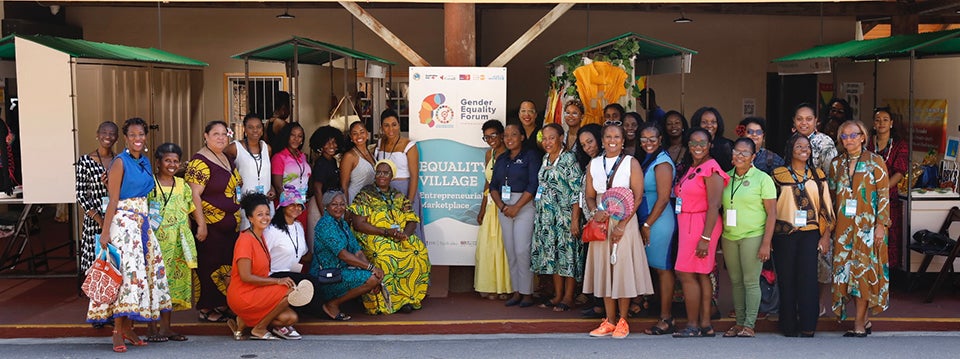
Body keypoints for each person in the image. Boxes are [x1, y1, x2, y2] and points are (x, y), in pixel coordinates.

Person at [87, 117, 172, 353]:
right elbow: (114, 199)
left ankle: (129, 328)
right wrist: (105, 233)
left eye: (141, 135)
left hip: (142, 224)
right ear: (126, 138)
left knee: (140, 277)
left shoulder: (144, 162)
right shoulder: (119, 162)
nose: (137, 139)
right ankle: (116, 332)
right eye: (133, 135)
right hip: (124, 225)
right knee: (125, 277)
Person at [583, 124, 654, 339]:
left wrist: (623, 224)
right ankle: (609, 320)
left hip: (625, 222)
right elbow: (589, 194)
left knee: (622, 269)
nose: (612, 140)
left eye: (616, 137)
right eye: (608, 137)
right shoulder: (594, 164)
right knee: (605, 270)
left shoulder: (631, 163)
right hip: (602, 222)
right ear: (602, 140)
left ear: (623, 141)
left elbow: (638, 196)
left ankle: (623, 320)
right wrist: (595, 212)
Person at [828, 120, 890, 337]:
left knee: (863, 273)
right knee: (845, 274)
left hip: (868, 228)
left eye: (853, 135)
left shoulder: (875, 161)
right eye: (844, 136)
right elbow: (832, 197)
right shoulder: (836, 164)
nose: (849, 140)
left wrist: (881, 226)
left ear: (863, 137)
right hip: (844, 229)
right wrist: (829, 227)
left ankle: (859, 324)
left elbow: (883, 195)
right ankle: (864, 320)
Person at [771, 134, 835, 337]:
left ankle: (808, 325)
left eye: (806, 146)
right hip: (783, 235)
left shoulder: (818, 174)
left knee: (808, 280)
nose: (803, 149)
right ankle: (788, 326)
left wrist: (825, 236)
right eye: (798, 146)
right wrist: (769, 238)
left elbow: (826, 208)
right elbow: (769, 209)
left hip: (810, 235)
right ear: (790, 149)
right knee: (786, 279)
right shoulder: (777, 174)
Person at [349, 159, 431, 314]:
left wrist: (404, 235)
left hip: (396, 236)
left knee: (418, 252)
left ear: (392, 176)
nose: (381, 175)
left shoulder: (398, 195)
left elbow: (411, 219)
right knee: (384, 256)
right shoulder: (366, 194)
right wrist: (386, 232)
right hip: (372, 234)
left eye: (385, 173)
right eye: (378, 172)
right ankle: (385, 302)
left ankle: (407, 298)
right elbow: (359, 224)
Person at [672, 127, 730, 338]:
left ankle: (693, 325)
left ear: (710, 145)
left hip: (701, 224)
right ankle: (705, 325)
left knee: (686, 273)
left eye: (702, 143)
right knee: (701, 274)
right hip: (689, 222)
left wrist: (705, 238)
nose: (698, 147)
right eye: (693, 143)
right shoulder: (693, 167)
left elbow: (714, 205)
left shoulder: (711, 168)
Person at [719, 138, 776, 338]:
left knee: (750, 281)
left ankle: (749, 325)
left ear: (753, 157)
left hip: (754, 235)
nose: (739, 156)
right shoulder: (726, 178)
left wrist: (766, 243)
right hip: (729, 236)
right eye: (736, 152)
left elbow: (772, 213)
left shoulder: (763, 179)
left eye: (745, 153)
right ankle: (739, 323)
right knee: (736, 281)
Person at [186, 120, 242, 323]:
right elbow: (194, 195)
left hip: (229, 226)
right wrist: (201, 224)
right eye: (215, 134)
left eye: (224, 134)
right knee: (208, 266)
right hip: (210, 226)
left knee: (225, 264)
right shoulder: (199, 162)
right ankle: (206, 307)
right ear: (206, 136)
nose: (221, 137)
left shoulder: (226, 157)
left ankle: (221, 303)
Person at [225, 192, 299, 341]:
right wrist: (277, 281)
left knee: (290, 317)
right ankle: (259, 328)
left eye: (267, 213)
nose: (265, 218)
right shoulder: (245, 240)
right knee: (290, 290)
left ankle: (243, 322)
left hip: (256, 291)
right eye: (259, 215)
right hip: (243, 295)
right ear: (250, 218)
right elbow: (246, 276)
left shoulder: (261, 236)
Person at [145, 143, 195, 342]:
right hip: (155, 244)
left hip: (177, 244)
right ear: (158, 162)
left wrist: (191, 236)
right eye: (167, 160)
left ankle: (166, 328)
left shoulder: (182, 185)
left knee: (171, 285)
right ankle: (151, 329)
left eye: (176, 161)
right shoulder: (150, 184)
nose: (172, 164)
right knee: (153, 284)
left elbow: (189, 211)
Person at [531, 123, 584, 312]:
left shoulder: (569, 159)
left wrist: (575, 220)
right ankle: (558, 295)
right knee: (553, 256)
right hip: (547, 219)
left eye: (551, 138)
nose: (547, 142)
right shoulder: (545, 158)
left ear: (561, 137)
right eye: (544, 138)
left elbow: (577, 191)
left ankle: (569, 297)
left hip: (565, 218)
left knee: (567, 257)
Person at [489, 123, 542, 308]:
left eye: (514, 134)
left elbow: (533, 184)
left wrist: (517, 207)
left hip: (524, 206)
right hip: (504, 207)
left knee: (522, 249)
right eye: (506, 135)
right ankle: (516, 291)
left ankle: (528, 293)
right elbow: (493, 186)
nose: (509, 138)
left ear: (522, 137)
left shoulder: (530, 156)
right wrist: (503, 206)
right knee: (511, 251)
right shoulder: (502, 159)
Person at [793, 102, 838, 315]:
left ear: (816, 121)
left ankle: (818, 304)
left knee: (821, 259)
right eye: (800, 119)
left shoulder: (824, 143)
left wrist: (828, 217)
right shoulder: (793, 141)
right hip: (797, 209)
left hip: (819, 208)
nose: (804, 123)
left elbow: (833, 181)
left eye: (808, 119)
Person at [634, 122, 679, 336]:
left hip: (658, 221)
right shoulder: (648, 159)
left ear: (661, 140)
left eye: (653, 139)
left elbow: (662, 199)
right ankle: (659, 311)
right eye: (644, 139)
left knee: (663, 269)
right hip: (650, 220)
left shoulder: (662, 163)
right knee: (656, 269)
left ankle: (666, 318)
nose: (648, 143)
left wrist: (647, 224)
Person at [312, 190, 383, 321]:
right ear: (326, 206)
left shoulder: (342, 224)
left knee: (374, 277)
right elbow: (343, 255)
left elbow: (357, 251)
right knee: (371, 279)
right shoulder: (325, 224)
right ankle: (332, 305)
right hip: (326, 275)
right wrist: (371, 269)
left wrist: (371, 271)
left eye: (342, 204)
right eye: (334, 204)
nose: (339, 208)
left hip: (340, 271)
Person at [866, 107, 908, 270]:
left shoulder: (899, 145)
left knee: (887, 236)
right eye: (878, 120)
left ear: (891, 123)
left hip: (889, 197)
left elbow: (900, 172)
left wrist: (882, 189)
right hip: (867, 197)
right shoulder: (867, 143)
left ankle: (887, 274)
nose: (881, 123)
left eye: (885, 120)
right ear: (874, 124)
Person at [475, 120, 512, 300]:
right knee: (490, 247)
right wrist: (481, 210)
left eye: (493, 135)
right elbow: (487, 182)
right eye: (486, 137)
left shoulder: (510, 153)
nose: (490, 140)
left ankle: (505, 287)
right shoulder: (489, 154)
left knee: (504, 246)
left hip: (506, 205)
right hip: (490, 206)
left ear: (501, 134)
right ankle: (490, 286)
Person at [76, 121, 118, 276]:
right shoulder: (85, 161)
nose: (108, 136)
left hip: (116, 218)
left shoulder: (119, 161)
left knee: (116, 263)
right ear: (97, 135)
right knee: (97, 264)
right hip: (95, 220)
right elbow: (81, 194)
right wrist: (100, 221)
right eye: (104, 132)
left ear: (117, 138)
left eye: (112, 133)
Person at [375, 109, 423, 241]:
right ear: (381, 127)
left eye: (394, 124)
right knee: (389, 229)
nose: (391, 129)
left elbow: (414, 176)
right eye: (386, 125)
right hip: (384, 192)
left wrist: (409, 201)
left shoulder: (409, 145)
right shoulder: (380, 144)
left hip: (404, 190)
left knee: (408, 230)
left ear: (399, 125)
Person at [226, 113, 274, 231]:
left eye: (258, 127)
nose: (255, 130)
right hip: (246, 205)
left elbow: (266, 174)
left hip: (266, 203)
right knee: (248, 238)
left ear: (262, 130)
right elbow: (221, 163)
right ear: (244, 129)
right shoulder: (235, 147)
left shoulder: (267, 148)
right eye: (250, 127)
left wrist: (272, 187)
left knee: (266, 239)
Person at [306, 125, 345, 255]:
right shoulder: (321, 163)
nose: (332, 145)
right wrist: (324, 213)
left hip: (330, 205)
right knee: (317, 242)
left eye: (334, 141)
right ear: (321, 145)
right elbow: (317, 189)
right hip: (320, 204)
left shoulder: (333, 161)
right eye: (327, 142)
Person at [271, 122, 311, 229]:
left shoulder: (302, 156)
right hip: (288, 206)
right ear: (287, 136)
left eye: (299, 136)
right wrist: (288, 207)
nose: (296, 139)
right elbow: (279, 187)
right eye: (293, 135)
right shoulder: (279, 157)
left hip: (301, 204)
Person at [340, 121, 376, 204]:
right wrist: (347, 207)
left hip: (369, 200)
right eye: (355, 133)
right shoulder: (349, 156)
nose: (359, 136)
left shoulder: (370, 152)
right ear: (351, 137)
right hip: (354, 200)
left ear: (367, 134)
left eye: (362, 132)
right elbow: (344, 185)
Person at [691, 107, 733, 171]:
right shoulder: (691, 144)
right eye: (704, 122)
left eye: (713, 122)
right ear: (697, 124)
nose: (709, 125)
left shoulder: (726, 145)